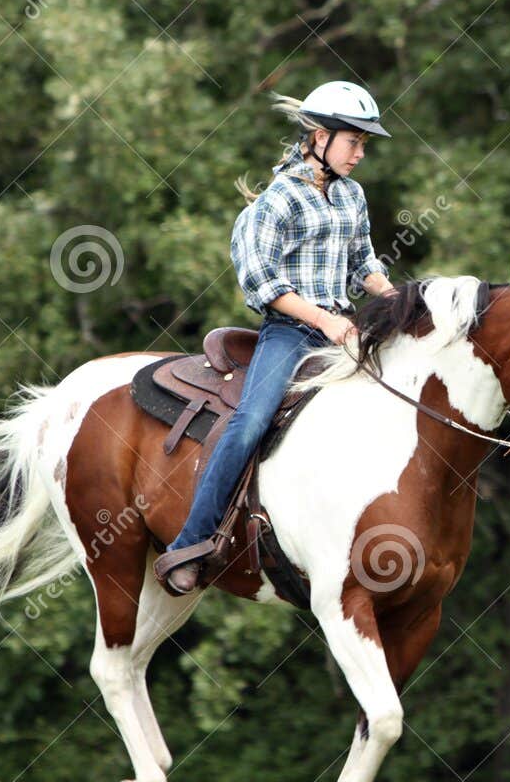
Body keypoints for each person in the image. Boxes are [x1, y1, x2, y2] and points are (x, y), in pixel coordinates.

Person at [154, 80, 396, 595]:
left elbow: (364, 264)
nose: (359, 154)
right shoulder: (276, 201)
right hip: (291, 333)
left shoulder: (353, 195)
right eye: (353, 141)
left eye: (363, 144)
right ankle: (192, 541)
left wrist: (395, 297)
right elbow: (261, 281)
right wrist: (325, 321)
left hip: (345, 330)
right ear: (319, 137)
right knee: (250, 422)